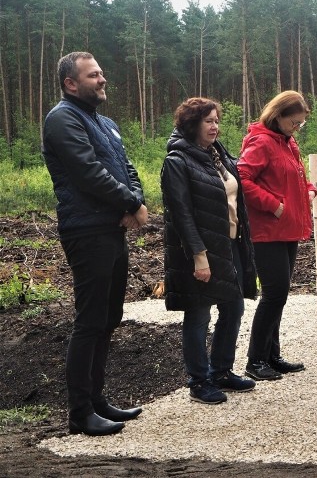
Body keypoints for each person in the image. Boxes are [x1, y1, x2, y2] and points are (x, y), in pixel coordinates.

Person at [42, 51, 148, 435]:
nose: (102, 80)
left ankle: (99, 402)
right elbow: (88, 172)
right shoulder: (62, 118)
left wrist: (133, 197)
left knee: (109, 318)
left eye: (102, 73)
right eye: (93, 75)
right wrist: (131, 202)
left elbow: (127, 167)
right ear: (71, 84)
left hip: (111, 228)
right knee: (89, 322)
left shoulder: (105, 123)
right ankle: (80, 413)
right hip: (86, 231)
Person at [161, 97, 258, 404]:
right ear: (192, 124)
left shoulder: (219, 156)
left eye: (217, 120)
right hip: (198, 250)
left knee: (234, 307)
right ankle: (199, 380)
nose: (215, 126)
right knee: (199, 314)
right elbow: (181, 214)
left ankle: (222, 371)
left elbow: (235, 202)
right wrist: (199, 256)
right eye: (208, 121)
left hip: (229, 245)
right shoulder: (178, 161)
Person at [238, 90, 314, 380]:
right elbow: (242, 178)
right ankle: (255, 360)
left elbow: (292, 178)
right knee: (274, 294)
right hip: (267, 231)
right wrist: (275, 206)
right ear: (277, 116)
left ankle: (272, 355)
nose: (297, 128)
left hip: (287, 229)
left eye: (301, 124)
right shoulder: (261, 142)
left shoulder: (287, 142)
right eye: (294, 122)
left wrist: (307, 190)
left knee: (279, 295)